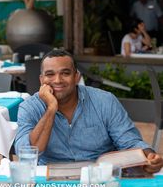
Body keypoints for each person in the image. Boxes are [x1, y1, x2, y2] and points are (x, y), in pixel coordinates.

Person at [15, 49, 163, 172]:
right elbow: (27, 153)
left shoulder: (105, 101)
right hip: (50, 178)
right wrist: (51, 109)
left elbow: (130, 142)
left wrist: (149, 157)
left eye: (65, 73)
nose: (58, 80)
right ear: (41, 80)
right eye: (50, 74)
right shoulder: (29, 107)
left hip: (99, 176)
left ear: (76, 77)